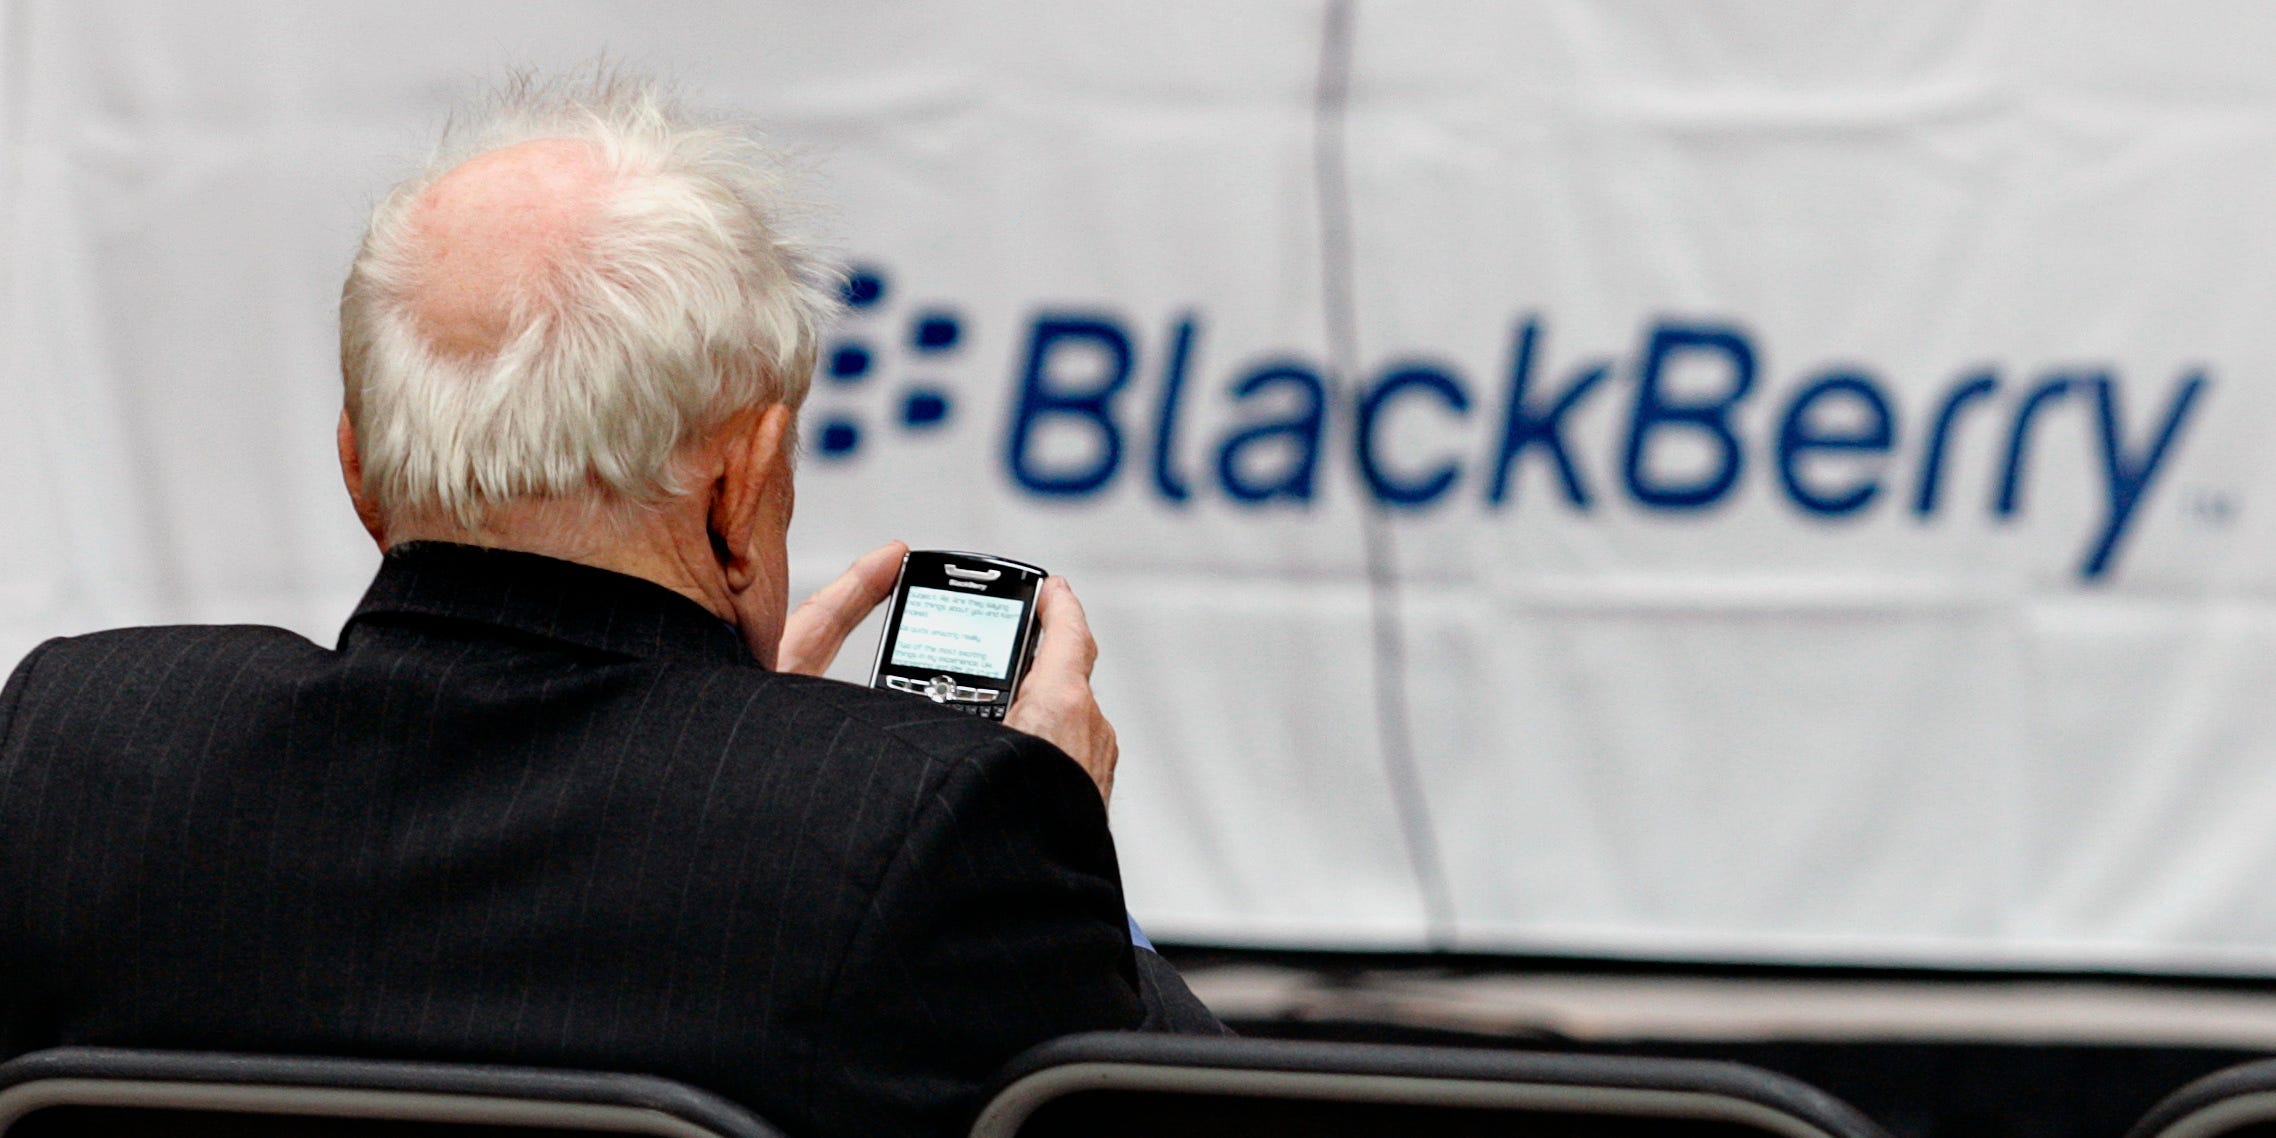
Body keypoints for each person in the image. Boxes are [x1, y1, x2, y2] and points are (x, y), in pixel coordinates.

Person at [0, 69, 1221, 1138]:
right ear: (742, 484)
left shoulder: (79, 739)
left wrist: (770, 764)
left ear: (358, 471)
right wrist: (1024, 816)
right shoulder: (932, 821)